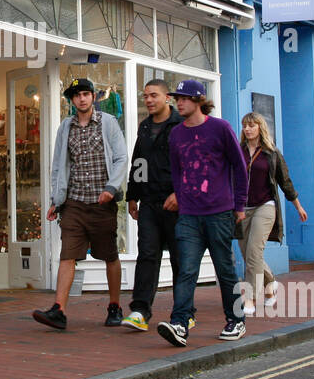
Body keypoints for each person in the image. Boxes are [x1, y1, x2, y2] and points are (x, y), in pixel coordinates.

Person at [156, 80, 248, 347]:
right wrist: (182, 199)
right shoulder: (176, 134)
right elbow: (177, 171)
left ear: (198, 100)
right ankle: (180, 323)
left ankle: (236, 319)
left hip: (220, 212)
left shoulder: (220, 128)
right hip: (189, 215)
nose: (178, 102)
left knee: (224, 269)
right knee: (186, 269)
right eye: (177, 98)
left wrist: (239, 206)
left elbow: (239, 168)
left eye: (184, 98)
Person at [32, 77, 128, 330]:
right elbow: (58, 165)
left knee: (109, 255)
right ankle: (59, 310)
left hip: (102, 201)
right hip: (74, 203)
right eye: (77, 95)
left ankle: (115, 305)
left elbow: (121, 158)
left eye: (86, 94)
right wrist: (56, 200)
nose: (82, 99)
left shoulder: (108, 123)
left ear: (93, 97)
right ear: (72, 100)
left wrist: (111, 188)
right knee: (68, 255)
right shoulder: (65, 127)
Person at [121, 80, 188, 331]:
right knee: (148, 255)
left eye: (153, 96)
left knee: (181, 259)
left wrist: (180, 193)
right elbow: (139, 162)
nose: (148, 100)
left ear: (167, 98)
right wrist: (132, 196)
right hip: (149, 203)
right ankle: (139, 310)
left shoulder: (181, 125)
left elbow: (191, 164)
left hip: (177, 205)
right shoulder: (145, 126)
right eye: (145, 96)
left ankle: (184, 311)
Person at [237, 111, 307, 313]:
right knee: (248, 253)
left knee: (254, 252)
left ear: (260, 127)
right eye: (245, 125)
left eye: (252, 125)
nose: (248, 129)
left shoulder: (271, 152)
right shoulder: (238, 150)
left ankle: (250, 299)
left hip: (265, 206)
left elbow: (285, 181)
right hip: (242, 209)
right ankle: (271, 284)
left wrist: (298, 206)